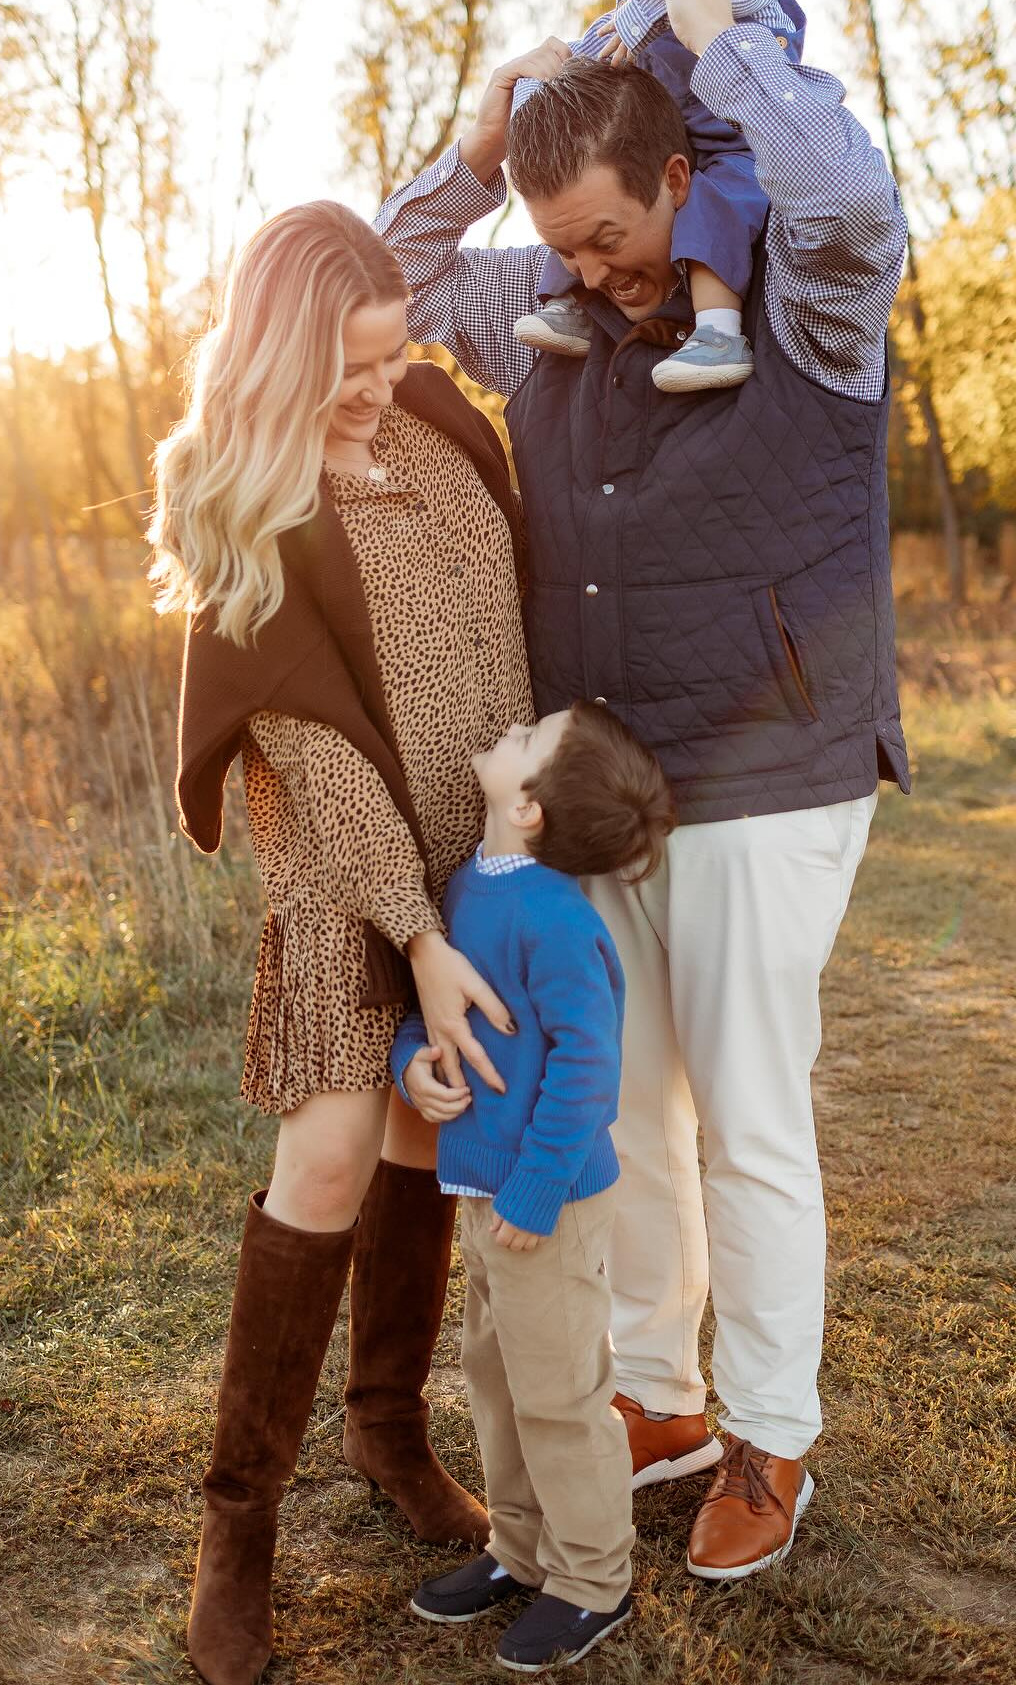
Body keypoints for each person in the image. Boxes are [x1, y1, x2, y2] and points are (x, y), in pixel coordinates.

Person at [373, 0, 910, 1581]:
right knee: (630, 1101)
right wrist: (477, 154)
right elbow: (388, 284)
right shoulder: (547, 297)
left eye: (613, 231)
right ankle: (662, 1400)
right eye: (563, 243)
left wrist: (726, 40)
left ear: (681, 176)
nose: (591, 269)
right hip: (601, 782)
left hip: (768, 761)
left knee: (747, 1109)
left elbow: (851, 201)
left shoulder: (803, 295)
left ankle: (770, 1434)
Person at [149, 201, 534, 1685]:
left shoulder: (438, 424)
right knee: (327, 1153)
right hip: (349, 869)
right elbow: (307, 748)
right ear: (280, 353)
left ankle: (389, 1433)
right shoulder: (237, 498)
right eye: (349, 368)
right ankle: (235, 1527)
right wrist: (418, 933)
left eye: (389, 357)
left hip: (482, 855)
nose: (378, 386)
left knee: (429, 1144)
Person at [390, 702, 673, 1671]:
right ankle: (519, 1550)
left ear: (529, 806)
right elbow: (431, 1014)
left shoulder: (555, 919)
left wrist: (534, 1191)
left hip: (540, 1201)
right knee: (498, 1383)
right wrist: (413, 1067)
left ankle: (593, 1579)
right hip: (484, 1188)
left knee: (560, 1395)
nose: (512, 725)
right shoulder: (467, 887)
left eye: (529, 735)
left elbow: (588, 1071)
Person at [513, 0, 805, 395]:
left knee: (710, 201)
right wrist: (550, 78)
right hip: (682, 138)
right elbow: (606, 39)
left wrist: (651, 3)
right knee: (574, 212)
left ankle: (720, 329)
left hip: (743, 138)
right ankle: (568, 303)